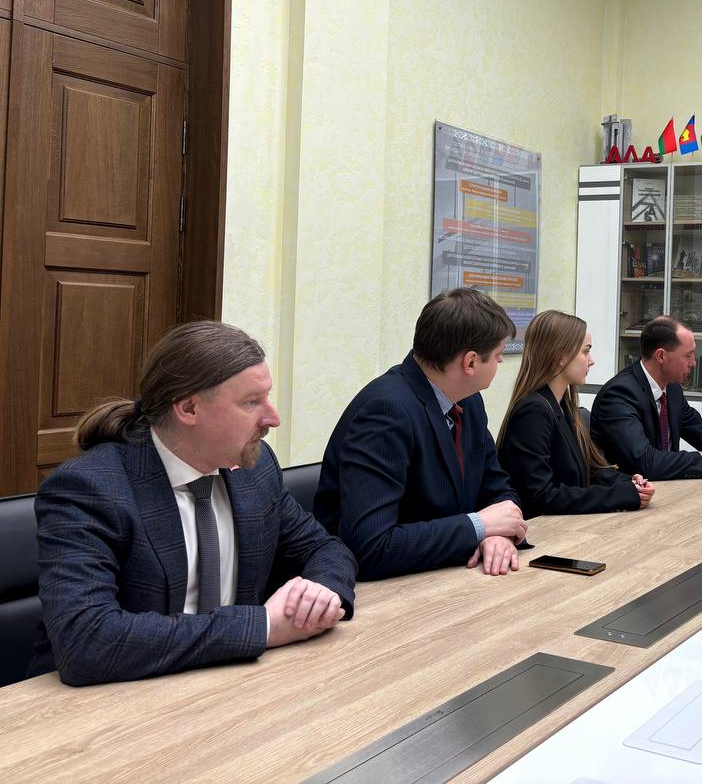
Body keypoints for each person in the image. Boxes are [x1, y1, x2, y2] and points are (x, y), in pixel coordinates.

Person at [30, 322, 357, 686]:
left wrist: (321, 591)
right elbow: (86, 642)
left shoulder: (256, 469)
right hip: (110, 701)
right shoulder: (89, 488)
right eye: (251, 402)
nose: (272, 419)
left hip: (231, 684)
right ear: (189, 409)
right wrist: (264, 627)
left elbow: (324, 547)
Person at [314, 288, 527, 580]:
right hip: (380, 593)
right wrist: (478, 526)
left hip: (447, 578)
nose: (500, 363)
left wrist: (498, 535)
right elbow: (370, 547)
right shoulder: (386, 411)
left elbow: (499, 489)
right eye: (498, 356)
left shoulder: (468, 400)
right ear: (470, 362)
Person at [497, 310, 656, 517]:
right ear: (560, 356)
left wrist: (628, 483)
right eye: (585, 351)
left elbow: (588, 471)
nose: (591, 360)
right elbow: (542, 496)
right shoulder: (533, 412)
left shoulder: (562, 405)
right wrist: (620, 495)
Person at [592, 317, 702, 480]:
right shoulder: (619, 394)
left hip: (668, 488)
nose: (693, 363)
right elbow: (645, 462)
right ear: (661, 356)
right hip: (629, 492)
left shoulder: (672, 388)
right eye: (688, 355)